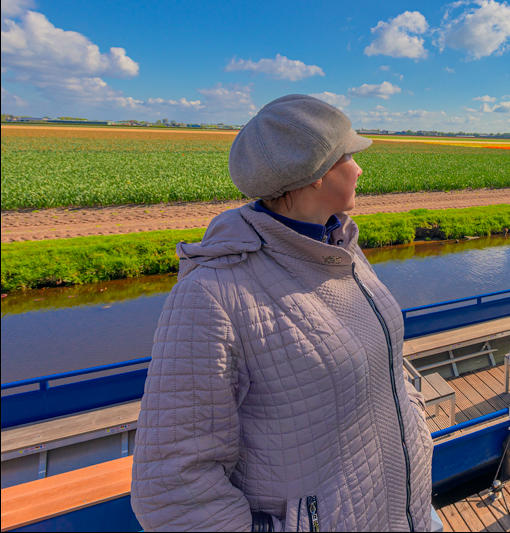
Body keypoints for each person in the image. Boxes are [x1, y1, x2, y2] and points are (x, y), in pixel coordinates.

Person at [130, 95, 433, 532]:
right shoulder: (211, 294)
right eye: (347, 156)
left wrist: (417, 431)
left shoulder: (338, 245)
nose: (359, 167)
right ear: (314, 175)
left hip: (405, 513)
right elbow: (171, 487)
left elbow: (383, 356)